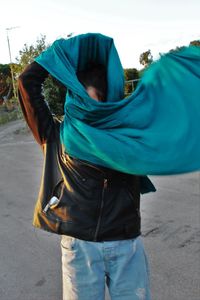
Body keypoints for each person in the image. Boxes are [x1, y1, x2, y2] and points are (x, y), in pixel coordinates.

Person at [18, 43, 156, 300]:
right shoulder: (57, 135)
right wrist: (62, 51)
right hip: (80, 247)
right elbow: (27, 82)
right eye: (83, 100)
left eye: (97, 103)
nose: (90, 110)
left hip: (126, 245)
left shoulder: (127, 137)